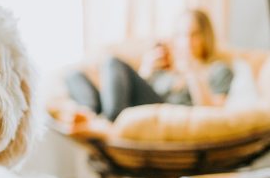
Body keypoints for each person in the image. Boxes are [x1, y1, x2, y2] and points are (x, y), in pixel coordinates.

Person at [64, 9, 234, 127]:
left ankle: (109, 122)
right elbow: (131, 93)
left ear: (206, 36)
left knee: (112, 62)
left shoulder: (218, 69)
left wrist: (191, 71)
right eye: (181, 34)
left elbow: (214, 113)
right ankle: (90, 115)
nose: (187, 41)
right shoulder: (166, 69)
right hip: (138, 108)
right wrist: (145, 70)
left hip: (167, 112)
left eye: (194, 35)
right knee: (73, 75)